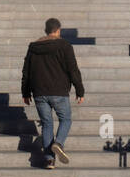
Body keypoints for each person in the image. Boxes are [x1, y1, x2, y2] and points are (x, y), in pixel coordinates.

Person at [21, 17, 85, 168]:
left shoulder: (33, 47)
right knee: (66, 119)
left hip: (39, 92)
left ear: (46, 30)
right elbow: (73, 70)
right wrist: (80, 90)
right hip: (59, 91)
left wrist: (25, 92)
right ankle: (59, 143)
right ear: (58, 30)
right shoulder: (64, 45)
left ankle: (49, 159)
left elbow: (26, 72)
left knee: (47, 123)